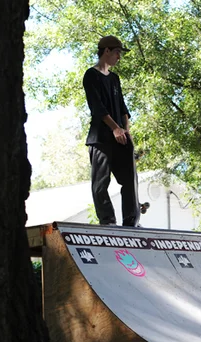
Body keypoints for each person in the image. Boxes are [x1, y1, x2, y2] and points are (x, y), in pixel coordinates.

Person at [83, 35, 140, 227]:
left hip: (121, 138)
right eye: (117, 52)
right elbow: (97, 108)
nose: (119, 57)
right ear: (106, 51)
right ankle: (108, 221)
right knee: (100, 183)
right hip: (100, 138)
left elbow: (123, 108)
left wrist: (126, 131)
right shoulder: (91, 75)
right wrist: (114, 128)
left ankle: (131, 222)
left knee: (130, 180)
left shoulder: (115, 79)